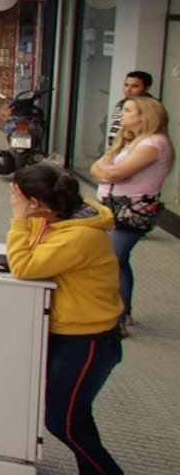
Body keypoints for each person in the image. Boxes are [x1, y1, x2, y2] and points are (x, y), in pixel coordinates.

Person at [6, 165, 124, 475]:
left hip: (87, 341)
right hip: (70, 334)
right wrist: (28, 220)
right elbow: (32, 251)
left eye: (18, 197)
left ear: (36, 203)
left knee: (64, 422)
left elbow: (24, 265)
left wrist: (19, 220)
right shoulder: (56, 220)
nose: (12, 201)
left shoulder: (79, 237)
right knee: (76, 417)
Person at [90, 96, 173, 333]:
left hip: (132, 209)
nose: (122, 115)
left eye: (128, 110)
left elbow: (117, 173)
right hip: (111, 206)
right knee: (117, 259)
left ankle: (120, 316)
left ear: (144, 115)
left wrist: (108, 173)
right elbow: (99, 167)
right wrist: (107, 172)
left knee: (115, 258)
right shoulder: (128, 141)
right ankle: (120, 311)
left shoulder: (153, 144)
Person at [106, 71, 154, 148]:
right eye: (126, 85)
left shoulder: (150, 106)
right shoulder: (121, 103)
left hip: (134, 149)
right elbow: (115, 127)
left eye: (134, 86)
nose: (128, 89)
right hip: (115, 148)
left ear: (147, 88)